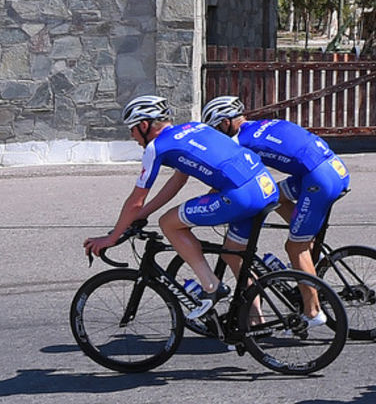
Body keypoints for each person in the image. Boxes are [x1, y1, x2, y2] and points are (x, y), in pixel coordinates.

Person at [83, 95, 279, 320]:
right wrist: (142, 216)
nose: (131, 135)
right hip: (265, 187)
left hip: (240, 196)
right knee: (234, 254)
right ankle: (254, 322)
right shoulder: (194, 127)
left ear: (144, 125)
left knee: (168, 223)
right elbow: (177, 182)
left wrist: (112, 237)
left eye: (132, 129)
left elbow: (135, 200)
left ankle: (211, 286)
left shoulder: (156, 147)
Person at [202, 96, 350, 326]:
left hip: (318, 180)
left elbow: (234, 180)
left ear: (224, 123)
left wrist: (210, 204)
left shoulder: (240, 142)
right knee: (275, 194)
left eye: (216, 129)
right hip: (334, 168)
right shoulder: (263, 124)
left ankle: (312, 313)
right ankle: (311, 247)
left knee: (294, 247)